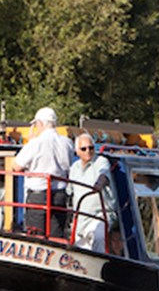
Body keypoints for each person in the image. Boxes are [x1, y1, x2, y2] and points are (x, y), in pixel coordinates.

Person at [12, 107, 73, 237]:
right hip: (60, 194)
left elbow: (16, 165)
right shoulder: (67, 143)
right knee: (56, 237)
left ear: (40, 123)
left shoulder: (36, 143)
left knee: (36, 237)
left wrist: (30, 142)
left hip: (38, 195)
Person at [67, 133, 116, 252]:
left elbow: (103, 174)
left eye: (91, 148)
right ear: (77, 151)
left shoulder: (101, 161)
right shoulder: (74, 168)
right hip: (80, 219)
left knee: (98, 237)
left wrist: (99, 185)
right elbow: (69, 191)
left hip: (99, 215)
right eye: (83, 149)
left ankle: (100, 267)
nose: (88, 151)